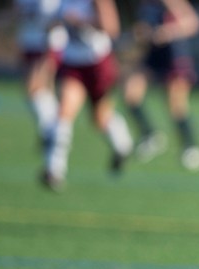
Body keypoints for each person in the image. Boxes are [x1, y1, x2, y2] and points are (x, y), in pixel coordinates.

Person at [41, 0, 133, 191]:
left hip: (98, 64)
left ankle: (122, 143)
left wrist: (81, 21)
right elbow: (54, 25)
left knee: (99, 119)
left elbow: (111, 29)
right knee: (64, 112)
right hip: (72, 63)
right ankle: (54, 169)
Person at [123, 0, 199, 172]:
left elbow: (192, 23)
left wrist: (168, 32)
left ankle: (190, 147)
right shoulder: (144, 4)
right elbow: (144, 27)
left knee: (176, 105)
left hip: (173, 55)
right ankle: (149, 134)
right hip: (152, 56)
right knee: (130, 93)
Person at [14, 0, 67, 146]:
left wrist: (49, 46)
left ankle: (49, 131)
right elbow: (19, 14)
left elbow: (57, 19)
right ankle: (55, 129)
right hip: (28, 42)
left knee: (34, 87)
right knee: (41, 90)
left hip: (47, 44)